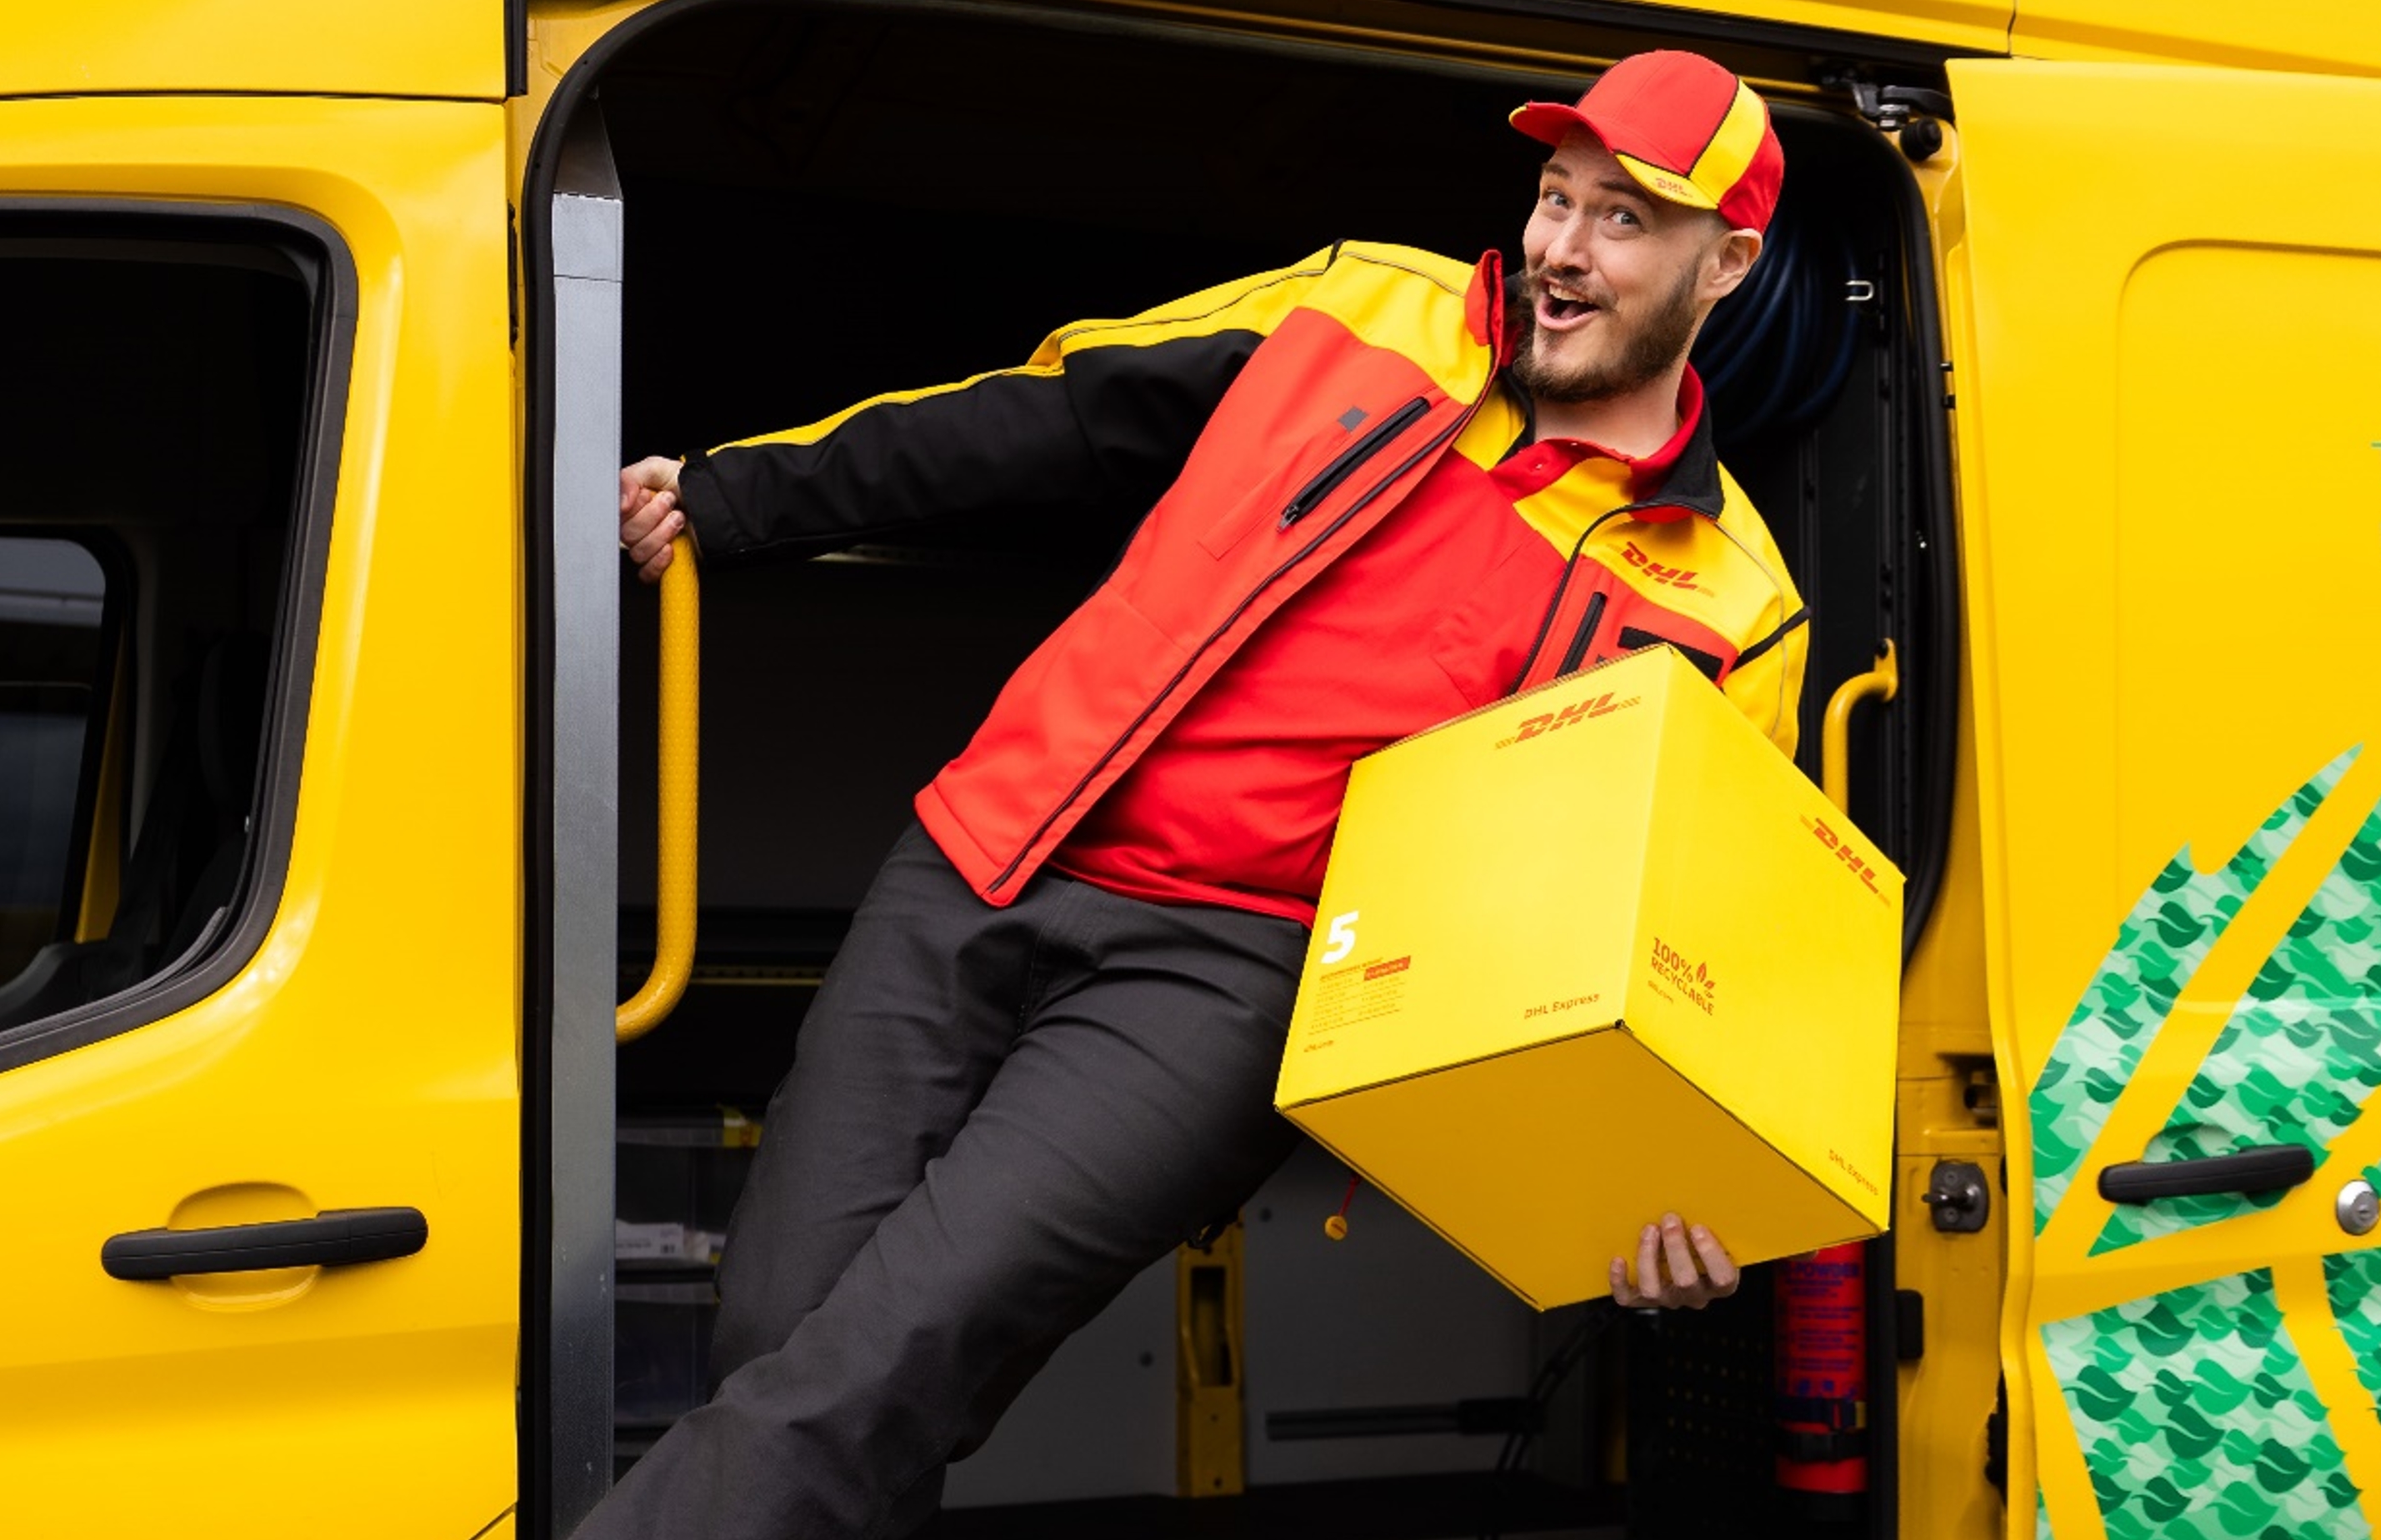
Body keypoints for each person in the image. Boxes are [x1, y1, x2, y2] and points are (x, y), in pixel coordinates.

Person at [588, 50, 1808, 1539]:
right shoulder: (1364, 308)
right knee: (781, 1333)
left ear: (1726, 264)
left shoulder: (1729, 598)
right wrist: (730, 493)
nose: (1559, 249)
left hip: (1231, 978)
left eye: (1623, 220)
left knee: (892, 1349)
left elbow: (1692, 931)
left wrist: (1651, 1190)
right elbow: (1045, 411)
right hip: (992, 845)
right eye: (1555, 199)